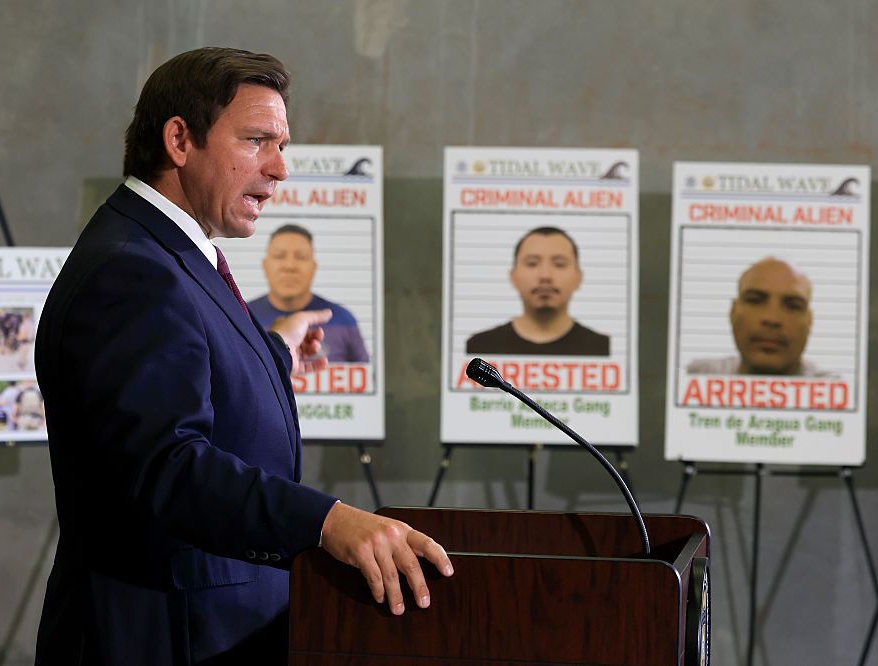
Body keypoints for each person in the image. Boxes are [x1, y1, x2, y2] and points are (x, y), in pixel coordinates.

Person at [34, 47, 452, 665]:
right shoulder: (132, 271)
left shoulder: (163, 250)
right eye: (257, 141)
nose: (279, 169)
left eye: (282, 146)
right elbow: (168, 465)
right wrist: (327, 522)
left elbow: (185, 374)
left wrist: (273, 351)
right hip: (163, 637)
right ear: (180, 140)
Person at [466, 226, 610, 355]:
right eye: (532, 263)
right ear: (513, 276)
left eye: (559, 264)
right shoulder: (479, 348)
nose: (545, 276)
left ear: (579, 277)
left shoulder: (603, 349)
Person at [247, 224, 369, 362]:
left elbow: (367, 371)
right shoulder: (243, 316)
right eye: (279, 256)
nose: (290, 266)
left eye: (301, 257)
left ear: (314, 267)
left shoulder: (343, 320)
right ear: (265, 265)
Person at [687, 257, 826, 376]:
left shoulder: (832, 390)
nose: (772, 319)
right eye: (755, 300)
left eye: (793, 306)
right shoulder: (696, 377)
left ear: (810, 322)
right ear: (733, 313)